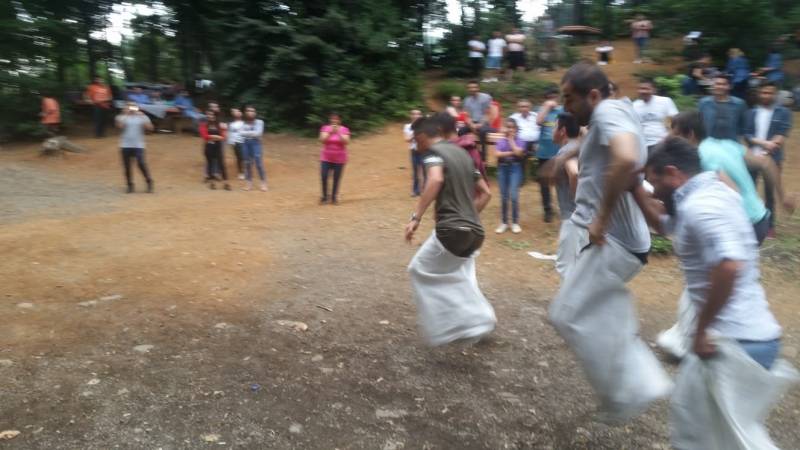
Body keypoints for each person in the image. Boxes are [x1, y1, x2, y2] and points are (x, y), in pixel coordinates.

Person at [638, 138, 791, 449]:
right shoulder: (711, 192)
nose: (652, 190)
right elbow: (667, 225)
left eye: (654, 181)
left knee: (712, 435)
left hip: (736, 343)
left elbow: (729, 265)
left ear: (672, 173)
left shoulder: (702, 206)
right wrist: (633, 190)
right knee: (711, 431)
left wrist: (701, 329)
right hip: (746, 338)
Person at [548, 62, 671, 424]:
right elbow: (611, 152)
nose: (565, 106)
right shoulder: (618, 110)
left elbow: (627, 158)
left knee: (566, 314)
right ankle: (631, 383)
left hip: (615, 239)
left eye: (569, 98)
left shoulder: (607, 112)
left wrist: (601, 217)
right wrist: (570, 154)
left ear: (593, 95)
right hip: (623, 241)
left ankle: (632, 388)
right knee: (583, 310)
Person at [648, 111, 790, 361]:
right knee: (708, 274)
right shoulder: (724, 143)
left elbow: (728, 189)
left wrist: (732, 222)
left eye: (674, 132)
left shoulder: (700, 160)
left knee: (714, 274)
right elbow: (765, 162)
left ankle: (692, 337)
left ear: (689, 135)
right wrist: (780, 198)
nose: (669, 137)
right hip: (757, 216)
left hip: (741, 220)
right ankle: (694, 334)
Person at [405, 116, 494, 346]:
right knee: (457, 274)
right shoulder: (463, 154)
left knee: (418, 269)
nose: (415, 144)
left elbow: (435, 179)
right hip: (475, 232)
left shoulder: (433, 153)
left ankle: (448, 327)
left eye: (415, 139)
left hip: (451, 229)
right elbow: (486, 193)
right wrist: (470, 215)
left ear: (422, 136)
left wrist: (416, 217)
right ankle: (478, 319)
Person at [745, 82, 794, 234]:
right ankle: (750, 221)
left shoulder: (783, 112)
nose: (766, 95)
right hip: (752, 158)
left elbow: (781, 134)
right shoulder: (751, 112)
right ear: (759, 94)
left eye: (770, 93)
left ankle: (770, 226)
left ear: (775, 95)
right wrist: (764, 144)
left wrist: (768, 150)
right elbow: (747, 134)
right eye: (764, 93)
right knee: (749, 191)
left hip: (772, 159)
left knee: (769, 193)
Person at [552, 112, 581, 277]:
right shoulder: (580, 146)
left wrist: (577, 202)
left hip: (573, 218)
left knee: (566, 268)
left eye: (554, 127)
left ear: (562, 131)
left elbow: (574, 173)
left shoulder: (566, 151)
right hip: (583, 217)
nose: (552, 131)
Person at [494, 119, 527, 234]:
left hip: (515, 168)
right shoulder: (500, 141)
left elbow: (519, 153)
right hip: (502, 168)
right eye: (508, 127)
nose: (510, 129)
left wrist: (511, 140)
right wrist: (512, 152)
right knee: (504, 196)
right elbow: (497, 154)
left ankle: (515, 222)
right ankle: (504, 222)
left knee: (513, 195)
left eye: (512, 127)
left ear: (516, 129)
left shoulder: (521, 141)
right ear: (505, 128)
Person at [535, 90, 563, 222]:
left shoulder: (562, 110)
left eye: (554, 97)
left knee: (561, 181)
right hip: (543, 152)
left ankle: (564, 207)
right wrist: (546, 107)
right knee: (544, 183)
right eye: (549, 98)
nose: (552, 100)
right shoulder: (541, 109)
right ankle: (548, 210)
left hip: (560, 152)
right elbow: (538, 121)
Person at [115, 102, 154, 194]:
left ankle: (149, 181)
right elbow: (119, 126)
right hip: (125, 145)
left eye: (133, 107)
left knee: (141, 163)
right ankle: (129, 185)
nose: (131, 109)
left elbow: (150, 128)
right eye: (129, 107)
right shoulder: (120, 117)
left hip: (138, 145)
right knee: (127, 166)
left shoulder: (142, 116)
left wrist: (142, 117)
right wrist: (126, 115)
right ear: (125, 108)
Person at [633, 78, 679, 153]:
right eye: (640, 89)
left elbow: (674, 123)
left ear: (654, 90)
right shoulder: (634, 105)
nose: (643, 91)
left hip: (664, 142)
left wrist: (666, 140)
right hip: (643, 145)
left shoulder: (665, 101)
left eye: (646, 89)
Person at [697, 75, 748, 142]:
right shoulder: (704, 103)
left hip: (732, 143)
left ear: (729, 86)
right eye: (717, 84)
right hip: (708, 142)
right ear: (712, 86)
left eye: (723, 84)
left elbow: (743, 127)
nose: (720, 87)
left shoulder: (739, 104)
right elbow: (699, 124)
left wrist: (743, 143)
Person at [319, 113, 350, 204]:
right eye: (333, 119)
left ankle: (334, 197)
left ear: (339, 120)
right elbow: (322, 140)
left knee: (336, 178)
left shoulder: (344, 129)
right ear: (330, 120)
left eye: (336, 119)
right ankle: (325, 197)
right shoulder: (325, 128)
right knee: (324, 176)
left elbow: (347, 142)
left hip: (339, 158)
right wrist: (330, 132)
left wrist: (338, 133)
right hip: (326, 157)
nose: (334, 120)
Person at [463, 81, 494, 161]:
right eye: (470, 87)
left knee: (482, 131)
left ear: (478, 88)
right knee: (461, 131)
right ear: (468, 89)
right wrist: (471, 124)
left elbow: (488, 114)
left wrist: (480, 124)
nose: (473, 89)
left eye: (475, 87)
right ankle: (464, 154)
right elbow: (467, 116)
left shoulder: (486, 97)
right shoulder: (467, 100)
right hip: (472, 123)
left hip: (484, 122)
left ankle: (483, 158)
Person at [199, 110, 230, 190]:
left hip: (217, 147)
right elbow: (205, 136)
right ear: (207, 116)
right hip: (209, 147)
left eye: (212, 115)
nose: (211, 116)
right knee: (210, 165)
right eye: (209, 115)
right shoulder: (203, 125)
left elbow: (224, 137)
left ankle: (226, 183)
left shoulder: (220, 125)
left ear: (215, 116)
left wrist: (211, 137)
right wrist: (217, 137)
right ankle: (212, 183)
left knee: (222, 164)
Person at [240, 106, 267, 192]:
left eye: (252, 111)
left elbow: (258, 133)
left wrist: (247, 133)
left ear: (255, 113)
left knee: (258, 163)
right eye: (248, 111)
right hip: (246, 143)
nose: (250, 112)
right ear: (246, 113)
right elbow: (241, 133)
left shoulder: (260, 122)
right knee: (247, 163)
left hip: (256, 143)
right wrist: (252, 133)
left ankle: (263, 183)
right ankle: (249, 184)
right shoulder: (243, 123)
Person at [404, 109, 425, 196]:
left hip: (423, 150)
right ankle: (415, 190)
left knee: (424, 170)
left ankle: (424, 190)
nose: (416, 116)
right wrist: (414, 133)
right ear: (411, 116)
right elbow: (407, 139)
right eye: (414, 114)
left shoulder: (424, 126)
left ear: (421, 116)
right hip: (414, 150)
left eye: (418, 114)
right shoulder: (407, 126)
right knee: (415, 171)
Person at [227, 108, 246, 180]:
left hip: (244, 142)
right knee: (239, 158)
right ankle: (241, 172)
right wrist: (231, 143)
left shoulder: (245, 123)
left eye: (239, 111)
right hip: (236, 143)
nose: (238, 113)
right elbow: (230, 134)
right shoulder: (232, 124)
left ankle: (246, 170)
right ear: (233, 114)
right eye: (235, 112)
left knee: (245, 157)